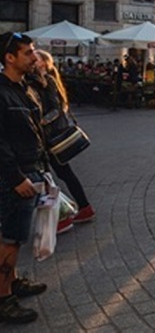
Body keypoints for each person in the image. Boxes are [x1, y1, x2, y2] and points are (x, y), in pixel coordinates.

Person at [0, 32, 49, 324]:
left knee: (15, 236)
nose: (35, 57)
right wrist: (16, 176)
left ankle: (13, 282)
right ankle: (4, 298)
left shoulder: (23, 88)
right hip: (14, 175)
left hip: (30, 167)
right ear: (10, 57)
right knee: (11, 238)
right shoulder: (2, 92)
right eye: (28, 53)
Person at [29, 50, 95, 234]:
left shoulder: (47, 80)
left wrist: (40, 121)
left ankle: (64, 215)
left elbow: (57, 108)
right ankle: (83, 208)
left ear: (44, 62)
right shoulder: (35, 80)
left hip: (50, 137)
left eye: (36, 58)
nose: (33, 60)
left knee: (52, 176)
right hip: (46, 137)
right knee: (59, 174)